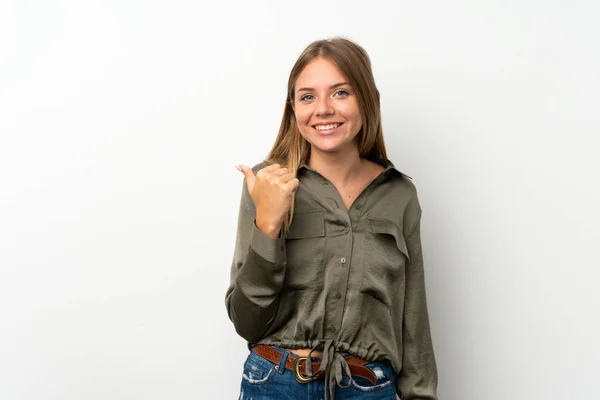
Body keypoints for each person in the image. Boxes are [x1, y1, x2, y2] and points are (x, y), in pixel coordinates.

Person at [225, 37, 438, 400]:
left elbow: (412, 318)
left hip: (367, 388)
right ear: (293, 109)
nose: (323, 109)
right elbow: (247, 322)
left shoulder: (400, 195)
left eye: (340, 93)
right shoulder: (267, 184)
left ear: (366, 101)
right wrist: (269, 224)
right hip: (274, 384)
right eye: (307, 96)